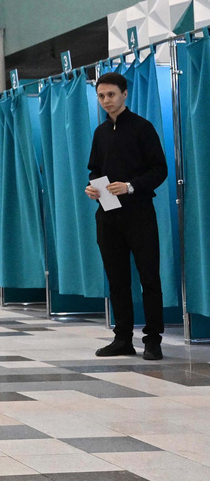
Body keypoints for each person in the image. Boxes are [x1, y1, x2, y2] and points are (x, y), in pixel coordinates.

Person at [85, 71, 167, 361]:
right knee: (117, 278)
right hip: (107, 216)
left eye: (111, 95)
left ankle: (153, 339)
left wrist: (130, 187)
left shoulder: (143, 128)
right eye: (101, 96)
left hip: (139, 213)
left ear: (124, 94)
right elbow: (94, 168)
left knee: (149, 277)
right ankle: (122, 338)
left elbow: (160, 170)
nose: (106, 100)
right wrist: (93, 187)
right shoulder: (100, 132)